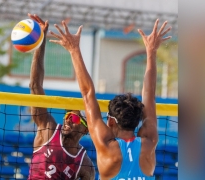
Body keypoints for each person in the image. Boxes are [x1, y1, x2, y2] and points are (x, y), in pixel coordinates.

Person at [49, 19, 171, 179]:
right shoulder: (149, 141)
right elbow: (149, 93)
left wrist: (74, 50)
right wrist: (152, 51)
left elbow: (87, 93)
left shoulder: (106, 146)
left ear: (111, 122)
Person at [27, 13, 95, 180]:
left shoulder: (85, 164)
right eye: (67, 115)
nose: (68, 119)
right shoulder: (48, 130)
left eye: (74, 117)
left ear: (86, 128)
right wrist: (41, 41)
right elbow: (35, 86)